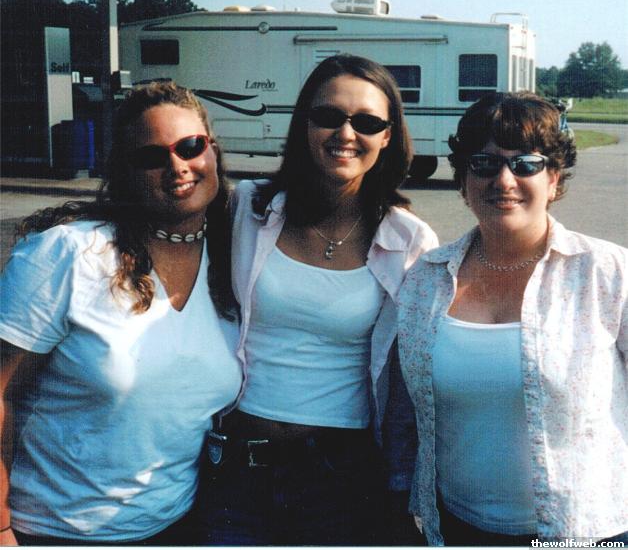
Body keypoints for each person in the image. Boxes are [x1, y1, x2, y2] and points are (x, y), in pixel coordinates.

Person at [196, 54, 438, 545]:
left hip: (342, 478)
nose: (345, 133)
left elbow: (410, 378)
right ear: (304, 124)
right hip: (237, 466)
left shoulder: (409, 241)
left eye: (367, 122)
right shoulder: (247, 207)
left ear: (388, 136)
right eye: (329, 116)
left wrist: (402, 483)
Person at [0, 81, 242, 545]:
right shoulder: (71, 254)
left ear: (213, 151)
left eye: (191, 146)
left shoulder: (234, 258)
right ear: (126, 172)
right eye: (151, 157)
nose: (177, 166)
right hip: (55, 532)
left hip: (178, 526)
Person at [397, 91, 628, 545]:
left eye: (525, 164)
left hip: (585, 531)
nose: (503, 180)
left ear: (553, 179)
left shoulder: (607, 273)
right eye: (483, 164)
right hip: (457, 527)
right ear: (463, 180)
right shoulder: (425, 278)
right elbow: (404, 413)